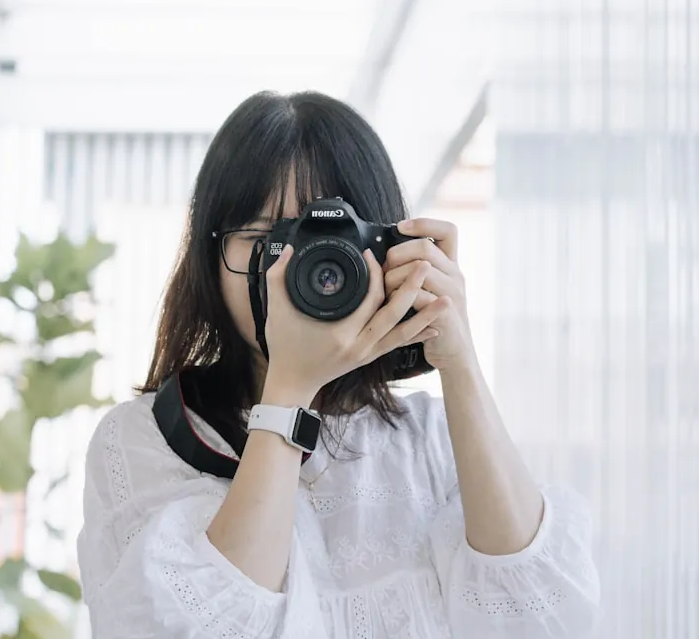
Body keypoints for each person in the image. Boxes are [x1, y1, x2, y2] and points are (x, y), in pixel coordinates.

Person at [77, 91, 601, 637]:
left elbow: (544, 619)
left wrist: (459, 359)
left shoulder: (432, 441)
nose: (296, 270)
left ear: (386, 250)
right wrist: (290, 388)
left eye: (329, 245)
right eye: (263, 240)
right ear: (211, 257)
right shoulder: (144, 440)